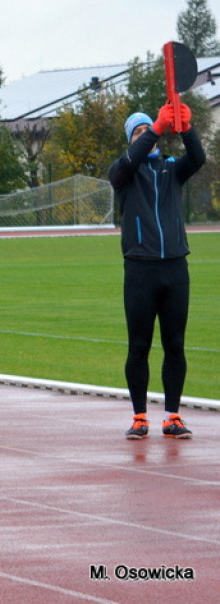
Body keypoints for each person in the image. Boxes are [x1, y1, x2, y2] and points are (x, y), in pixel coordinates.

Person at [108, 102, 205, 440]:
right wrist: (154, 129)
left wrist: (186, 128)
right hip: (140, 270)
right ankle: (139, 417)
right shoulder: (124, 173)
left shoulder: (172, 170)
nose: (146, 135)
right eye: (137, 132)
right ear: (131, 140)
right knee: (139, 346)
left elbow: (198, 159)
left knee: (175, 344)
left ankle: (173, 417)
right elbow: (129, 160)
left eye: (147, 129)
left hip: (175, 268)